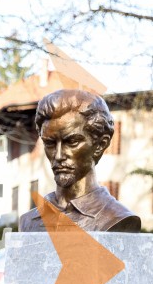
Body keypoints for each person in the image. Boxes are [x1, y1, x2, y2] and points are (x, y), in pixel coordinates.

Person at [19, 89, 141, 232]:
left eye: (72, 142)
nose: (58, 156)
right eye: (50, 143)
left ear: (100, 145)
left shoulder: (116, 218)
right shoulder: (29, 221)